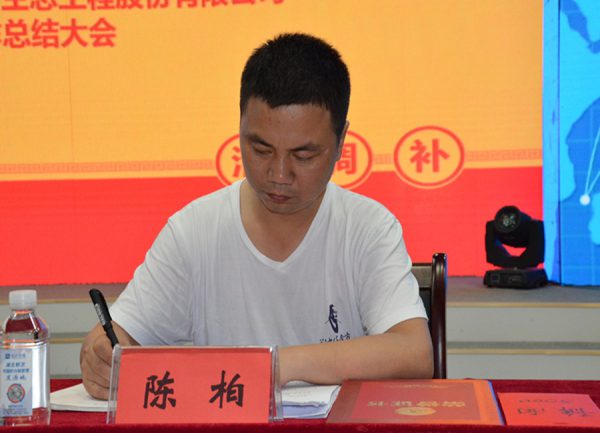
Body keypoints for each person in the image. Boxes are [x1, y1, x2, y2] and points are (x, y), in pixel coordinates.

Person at [80, 33, 433, 400]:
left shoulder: (367, 228)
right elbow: (121, 334)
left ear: (341, 140)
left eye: (303, 155)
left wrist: (275, 365)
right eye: (261, 149)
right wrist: (100, 356)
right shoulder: (195, 231)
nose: (279, 174)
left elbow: (414, 353)